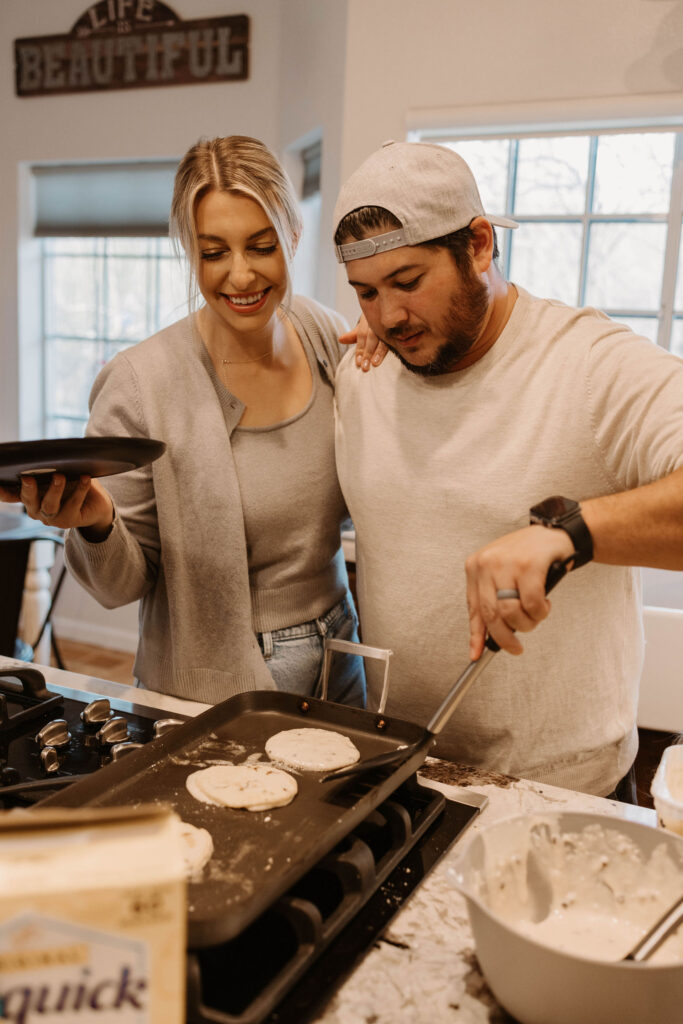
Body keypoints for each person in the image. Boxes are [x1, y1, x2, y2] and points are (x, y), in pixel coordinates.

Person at [332, 139, 683, 798]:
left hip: (562, 788)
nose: (389, 316)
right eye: (366, 293)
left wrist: (571, 533)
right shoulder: (364, 371)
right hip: (402, 767)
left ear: (480, 244)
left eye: (408, 283)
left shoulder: (589, 365)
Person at [1, 135, 384, 708]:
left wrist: (391, 339)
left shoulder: (323, 333)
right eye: (213, 253)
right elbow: (118, 587)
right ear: (190, 252)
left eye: (261, 246)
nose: (240, 276)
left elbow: (378, 471)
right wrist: (95, 521)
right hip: (218, 682)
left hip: (341, 653)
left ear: (294, 237)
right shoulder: (142, 382)